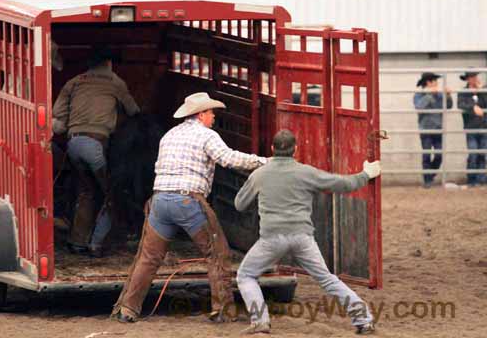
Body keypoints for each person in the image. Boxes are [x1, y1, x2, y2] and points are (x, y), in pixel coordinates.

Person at [111, 92, 267, 323]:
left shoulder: (169, 135)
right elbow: (229, 159)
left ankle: (127, 309)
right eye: (211, 112)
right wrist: (264, 161)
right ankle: (222, 310)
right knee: (217, 253)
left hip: (160, 201)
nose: (213, 117)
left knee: (148, 257)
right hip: (188, 200)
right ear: (201, 114)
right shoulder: (207, 136)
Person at [234, 129, 380, 335]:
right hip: (303, 237)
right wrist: (366, 174)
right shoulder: (306, 172)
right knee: (327, 279)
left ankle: (260, 321)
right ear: (296, 150)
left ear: (272, 149)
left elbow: (239, 204)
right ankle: (363, 319)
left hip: (271, 238)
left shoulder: (259, 174)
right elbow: (342, 184)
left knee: (246, 275)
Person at [52, 47, 140, 256]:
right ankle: (97, 244)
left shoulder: (73, 82)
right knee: (111, 194)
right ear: (108, 63)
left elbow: (57, 115)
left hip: (73, 145)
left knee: (86, 192)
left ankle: (77, 242)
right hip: (96, 145)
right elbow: (133, 110)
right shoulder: (115, 82)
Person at [413, 72, 452, 188]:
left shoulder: (440, 95)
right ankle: (427, 181)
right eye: (435, 81)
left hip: (438, 129)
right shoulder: (419, 94)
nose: (437, 83)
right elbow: (419, 107)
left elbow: (448, 106)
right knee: (426, 155)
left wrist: (448, 95)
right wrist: (430, 95)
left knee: (439, 155)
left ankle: (430, 176)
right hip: (425, 130)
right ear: (429, 82)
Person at [457, 71, 487, 186]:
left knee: (482, 154)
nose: (474, 79)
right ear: (467, 79)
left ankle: (481, 180)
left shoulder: (484, 90)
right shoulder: (463, 92)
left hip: (484, 126)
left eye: (475, 76)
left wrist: (481, 91)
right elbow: (460, 104)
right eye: (472, 77)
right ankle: (471, 179)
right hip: (471, 127)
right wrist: (473, 107)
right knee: (473, 153)